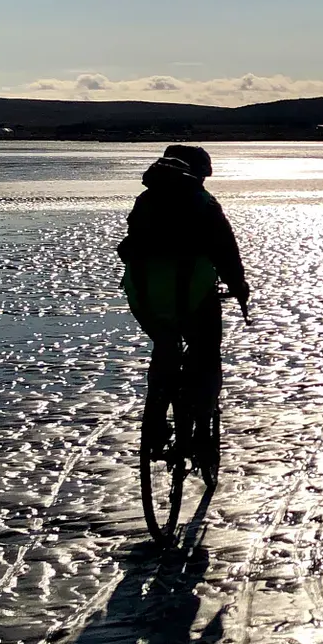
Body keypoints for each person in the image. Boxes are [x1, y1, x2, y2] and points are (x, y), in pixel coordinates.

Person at [118, 145, 249, 461]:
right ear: (198, 174)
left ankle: (155, 423)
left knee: (165, 346)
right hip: (191, 292)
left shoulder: (145, 200)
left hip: (144, 294)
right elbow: (226, 254)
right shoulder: (204, 203)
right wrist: (240, 289)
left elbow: (130, 247)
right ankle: (201, 431)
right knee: (206, 354)